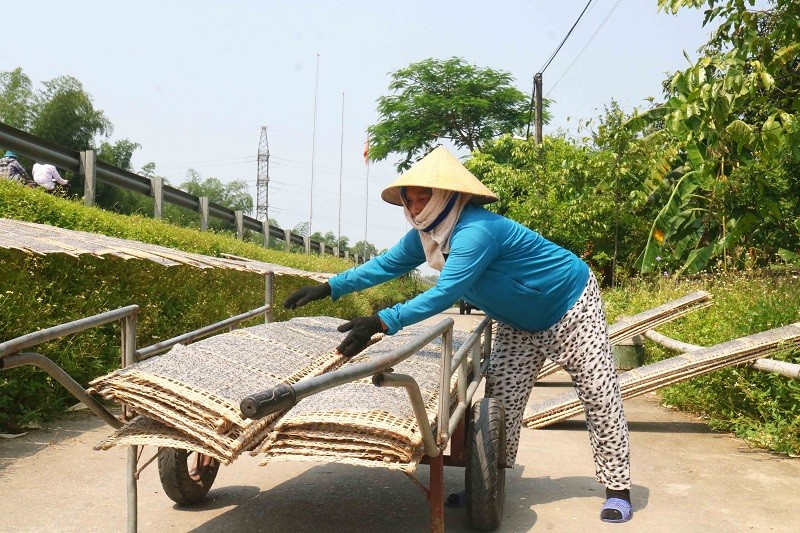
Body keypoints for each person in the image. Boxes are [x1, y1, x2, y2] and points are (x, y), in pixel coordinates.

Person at [283, 146, 633, 523]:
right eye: (409, 199)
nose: (415, 208)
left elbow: (444, 294)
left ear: (449, 197)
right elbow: (384, 266)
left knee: (599, 391)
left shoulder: (476, 231)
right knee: (501, 399)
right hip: (517, 321)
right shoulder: (426, 235)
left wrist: (382, 321)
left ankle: (619, 488)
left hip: (569, 306)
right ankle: (487, 482)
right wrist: (330, 287)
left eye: (424, 198)